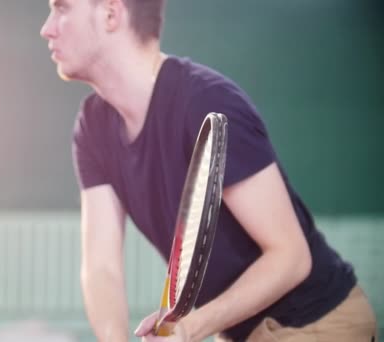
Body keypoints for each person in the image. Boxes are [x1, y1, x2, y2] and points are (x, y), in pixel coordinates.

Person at [39, 0, 378, 341]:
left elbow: (291, 257)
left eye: (62, 8)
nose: (47, 28)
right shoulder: (93, 126)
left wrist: (189, 327)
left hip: (316, 322)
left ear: (111, 13)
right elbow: (102, 268)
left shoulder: (207, 102)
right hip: (237, 333)